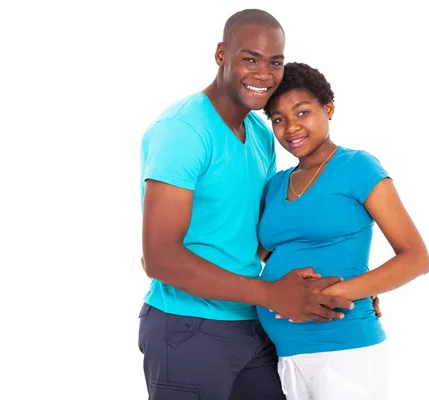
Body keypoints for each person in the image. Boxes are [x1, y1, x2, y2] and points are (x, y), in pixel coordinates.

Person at [138, 10, 359, 400]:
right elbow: (160, 258)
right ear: (222, 54)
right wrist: (271, 293)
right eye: (249, 59)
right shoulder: (182, 131)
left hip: (254, 324)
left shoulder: (260, 132)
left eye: (275, 62)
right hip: (190, 327)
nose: (263, 74)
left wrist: (346, 284)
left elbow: (262, 235)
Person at [256, 62, 429, 400]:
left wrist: (336, 294)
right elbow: (255, 257)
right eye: (278, 119)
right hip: (281, 354)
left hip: (345, 350)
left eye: (302, 111)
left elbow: (416, 258)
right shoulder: (275, 184)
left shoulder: (357, 167)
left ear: (328, 108)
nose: (291, 127)